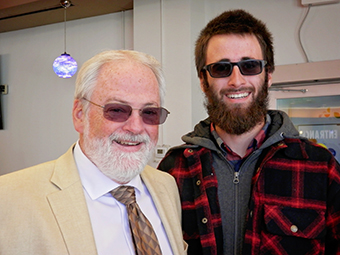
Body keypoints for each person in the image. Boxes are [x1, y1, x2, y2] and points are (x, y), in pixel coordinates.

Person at [158, 9, 340, 255]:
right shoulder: (173, 169)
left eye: (250, 65)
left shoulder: (320, 166)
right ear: (203, 80)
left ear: (268, 76)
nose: (236, 80)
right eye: (221, 68)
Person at [0, 50, 187, 255]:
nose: (135, 127)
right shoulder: (10, 198)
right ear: (80, 115)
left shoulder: (166, 186)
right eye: (116, 110)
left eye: (149, 112)